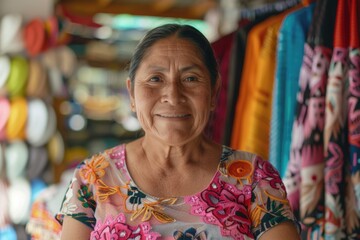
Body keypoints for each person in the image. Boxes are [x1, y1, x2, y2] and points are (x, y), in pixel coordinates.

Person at [56, 23, 301, 240]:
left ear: (214, 92)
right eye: (155, 78)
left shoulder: (253, 178)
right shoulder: (92, 179)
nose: (173, 96)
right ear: (131, 93)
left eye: (191, 78)